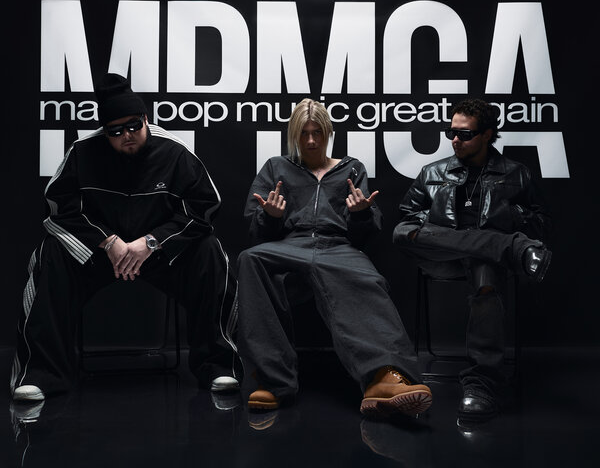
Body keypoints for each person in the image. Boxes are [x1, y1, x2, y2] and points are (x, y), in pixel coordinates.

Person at [10, 74, 239, 403]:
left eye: (133, 126)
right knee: (50, 254)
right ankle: (40, 374)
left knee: (210, 251)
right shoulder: (82, 152)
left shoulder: (175, 153)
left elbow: (204, 209)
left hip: (158, 254)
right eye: (115, 131)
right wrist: (107, 241)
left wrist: (152, 242)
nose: (127, 135)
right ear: (105, 131)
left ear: (145, 119)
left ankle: (218, 367)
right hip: (101, 255)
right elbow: (59, 210)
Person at [236, 98, 432, 418]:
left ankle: (385, 377)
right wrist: (270, 217)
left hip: (337, 246)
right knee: (250, 259)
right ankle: (272, 381)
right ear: (293, 135)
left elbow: (363, 236)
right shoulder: (276, 167)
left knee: (369, 278)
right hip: (291, 244)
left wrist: (361, 214)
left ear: (328, 133)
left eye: (317, 133)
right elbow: (256, 233)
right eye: (304, 133)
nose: (311, 140)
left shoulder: (352, 168)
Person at [393, 98, 552, 422]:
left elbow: (541, 222)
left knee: (485, 267)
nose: (455, 140)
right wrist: (448, 228)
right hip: (443, 258)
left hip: (485, 265)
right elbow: (408, 216)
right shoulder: (433, 172)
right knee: (401, 232)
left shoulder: (516, 174)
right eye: (451, 132)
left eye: (464, 134)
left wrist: (510, 214)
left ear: (487, 134)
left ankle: (482, 385)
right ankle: (511, 247)